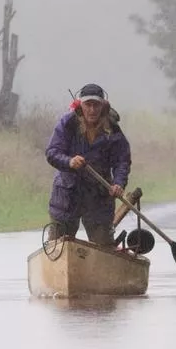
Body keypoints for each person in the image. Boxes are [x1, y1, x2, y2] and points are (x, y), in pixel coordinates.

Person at [44, 83, 131, 246]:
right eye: (88, 105)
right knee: (58, 247)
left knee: (103, 247)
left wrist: (119, 183)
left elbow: (122, 161)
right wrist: (69, 161)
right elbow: (52, 153)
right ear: (80, 106)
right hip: (67, 195)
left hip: (99, 196)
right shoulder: (67, 124)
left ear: (103, 106)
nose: (92, 110)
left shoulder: (113, 130)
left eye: (96, 105)